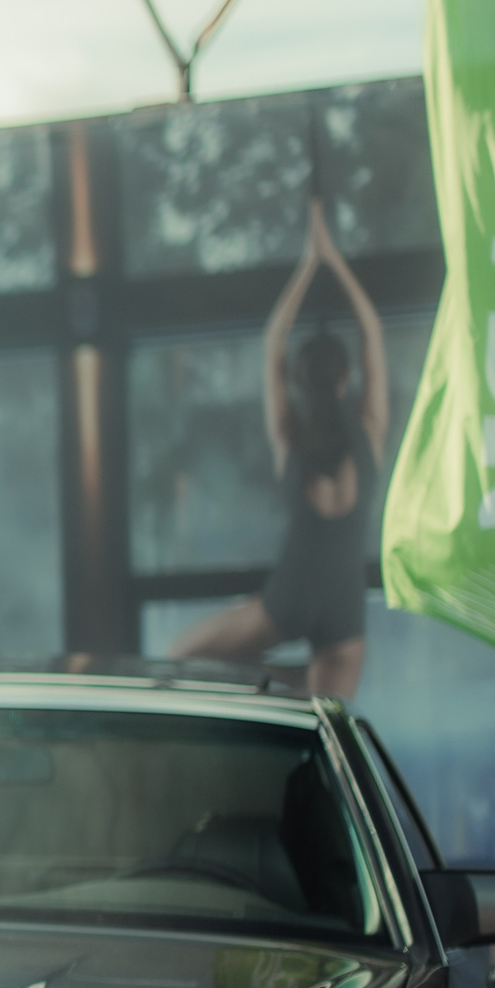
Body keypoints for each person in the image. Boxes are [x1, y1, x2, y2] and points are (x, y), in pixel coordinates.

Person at [170, 199, 389, 698]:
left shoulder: (289, 437)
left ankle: (266, 680)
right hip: (344, 609)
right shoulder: (369, 436)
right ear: (348, 378)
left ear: (298, 380)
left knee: (182, 656)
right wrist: (334, 260)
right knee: (327, 709)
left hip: (287, 598)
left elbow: (272, 343)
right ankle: (305, 684)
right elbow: (373, 331)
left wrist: (308, 262)